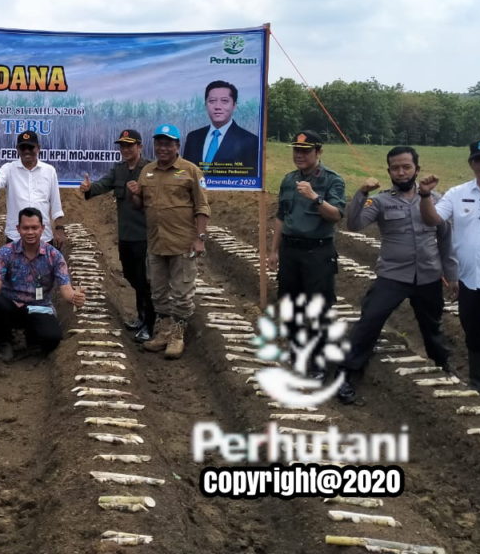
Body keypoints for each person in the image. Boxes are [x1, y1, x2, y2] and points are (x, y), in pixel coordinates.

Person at [336, 146, 456, 404]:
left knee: (432, 327)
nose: (401, 172)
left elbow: (445, 239)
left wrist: (451, 274)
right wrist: (362, 192)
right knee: (369, 321)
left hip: (427, 276)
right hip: (392, 275)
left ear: (417, 169)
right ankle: (346, 375)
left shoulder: (436, 199)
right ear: (388, 170)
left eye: (406, 167)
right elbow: (354, 224)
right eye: (395, 168)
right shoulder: (379, 200)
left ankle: (443, 369)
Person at [419, 138, 480, 402]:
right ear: (471, 164)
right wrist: (425, 196)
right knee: (475, 334)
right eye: (479, 159)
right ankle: (479, 386)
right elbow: (433, 218)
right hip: (470, 282)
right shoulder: (458, 193)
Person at [127, 124, 210, 359]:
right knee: (158, 292)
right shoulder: (147, 171)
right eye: (159, 143)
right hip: (156, 242)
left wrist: (200, 238)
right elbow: (140, 205)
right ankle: (163, 332)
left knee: (182, 292)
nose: (162, 148)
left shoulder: (190, 171)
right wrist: (134, 194)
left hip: (183, 243)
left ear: (177, 146)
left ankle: (177, 335)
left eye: (168, 143)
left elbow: (202, 206)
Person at [268, 130, 346, 375]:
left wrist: (315, 198)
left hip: (318, 252)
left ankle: (317, 361)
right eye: (296, 150)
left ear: (318, 152)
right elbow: (282, 217)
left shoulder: (332, 180)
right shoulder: (288, 179)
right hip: (291, 251)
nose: (299, 155)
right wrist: (274, 251)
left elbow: (336, 215)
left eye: (305, 151)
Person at [0, 207, 86, 362]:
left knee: (52, 338)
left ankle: (32, 339)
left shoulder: (54, 256)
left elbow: (65, 287)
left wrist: (74, 297)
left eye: (34, 228)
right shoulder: (6, 252)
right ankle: (4, 340)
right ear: (18, 229)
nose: (30, 232)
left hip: (39, 307)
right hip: (11, 306)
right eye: (26, 228)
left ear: (42, 229)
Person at [80, 128, 153, 342]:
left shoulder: (149, 170)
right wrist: (89, 188)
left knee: (143, 279)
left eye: (130, 145)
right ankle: (142, 317)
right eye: (122, 146)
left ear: (140, 146)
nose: (126, 149)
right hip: (126, 235)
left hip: (145, 235)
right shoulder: (119, 170)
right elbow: (103, 184)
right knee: (131, 275)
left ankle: (149, 322)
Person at [0, 131, 66, 248]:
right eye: (23, 147)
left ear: (38, 148)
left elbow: (56, 204)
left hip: (43, 236)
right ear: (17, 150)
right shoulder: (8, 169)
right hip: (15, 237)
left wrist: (59, 229)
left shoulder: (49, 171)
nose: (26, 151)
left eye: (30, 147)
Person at [182, 80, 259, 175]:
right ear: (205, 104)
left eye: (224, 101)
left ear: (234, 105)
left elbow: (251, 178)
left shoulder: (250, 140)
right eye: (212, 101)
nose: (217, 106)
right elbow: (185, 173)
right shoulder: (193, 137)